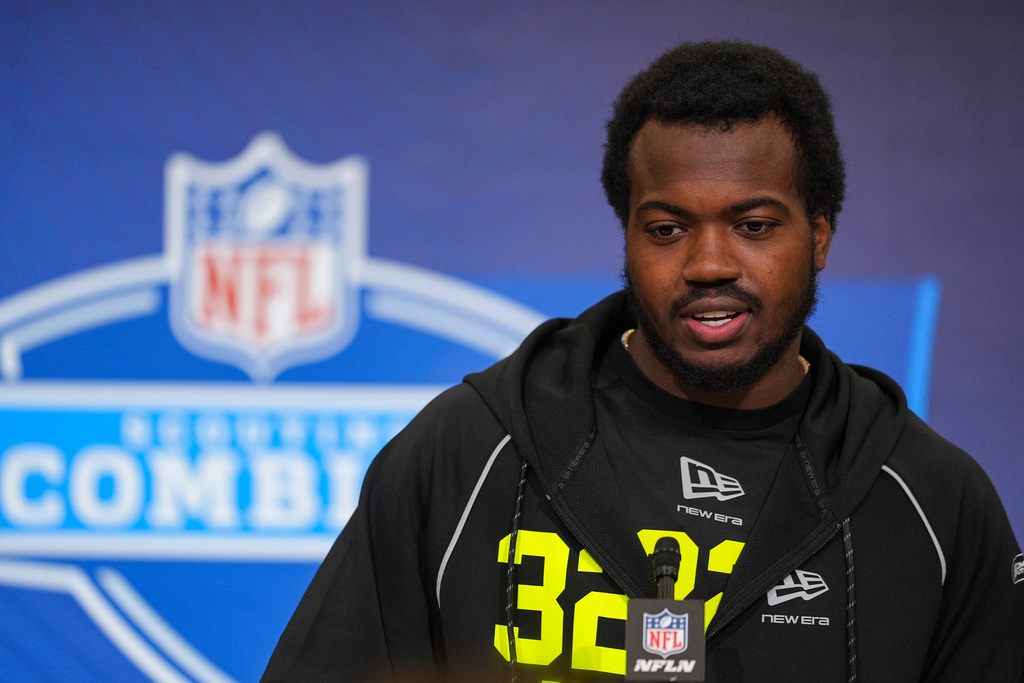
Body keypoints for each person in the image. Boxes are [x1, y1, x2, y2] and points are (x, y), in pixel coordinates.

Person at [262, 41, 1024, 682]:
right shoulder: (467, 451)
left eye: (754, 224)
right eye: (667, 228)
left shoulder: (931, 500)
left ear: (819, 234)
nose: (709, 263)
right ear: (626, 235)